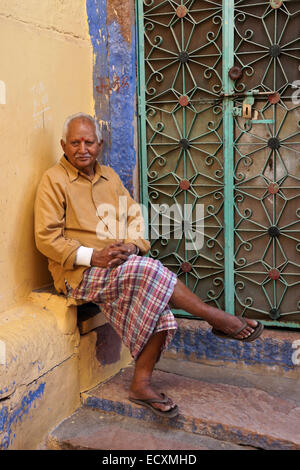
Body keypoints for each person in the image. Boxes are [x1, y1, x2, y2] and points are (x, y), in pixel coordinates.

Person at [34, 113, 263, 418]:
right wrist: (94, 256)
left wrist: (130, 245)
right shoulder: (53, 180)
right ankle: (216, 317)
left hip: (118, 267)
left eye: (88, 141)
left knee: (160, 308)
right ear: (64, 144)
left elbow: (134, 218)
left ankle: (141, 384)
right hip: (79, 273)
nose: (82, 148)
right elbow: (46, 238)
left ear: (99, 145)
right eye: (74, 142)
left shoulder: (110, 178)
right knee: (148, 269)